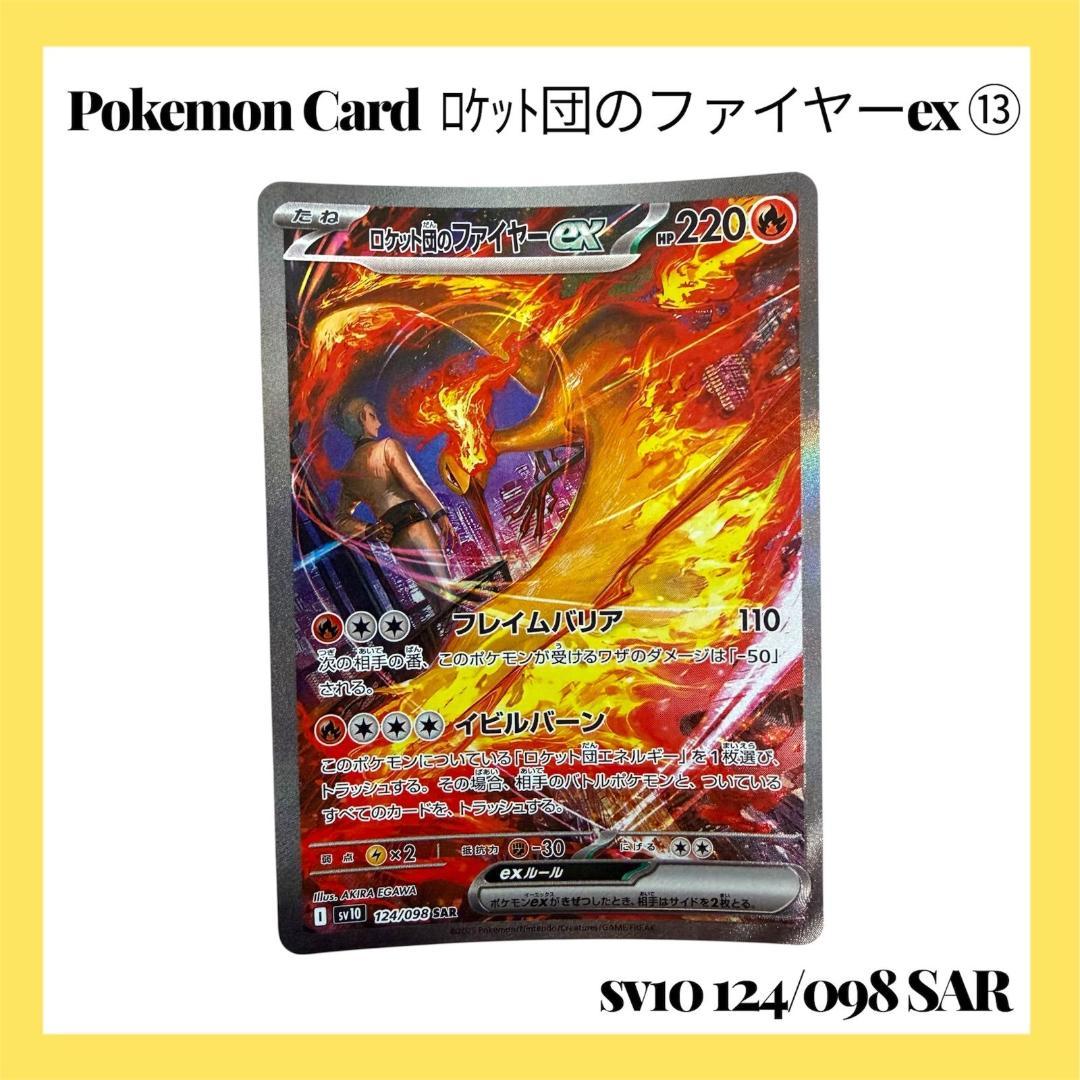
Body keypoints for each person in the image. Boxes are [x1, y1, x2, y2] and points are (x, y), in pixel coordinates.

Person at [334, 397, 456, 606]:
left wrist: (370, 530)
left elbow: (340, 520)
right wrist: (440, 514)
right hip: (416, 525)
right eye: (373, 416)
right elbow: (415, 485)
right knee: (447, 594)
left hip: (395, 540)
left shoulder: (349, 473)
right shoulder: (388, 446)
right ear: (362, 418)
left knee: (436, 602)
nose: (379, 423)